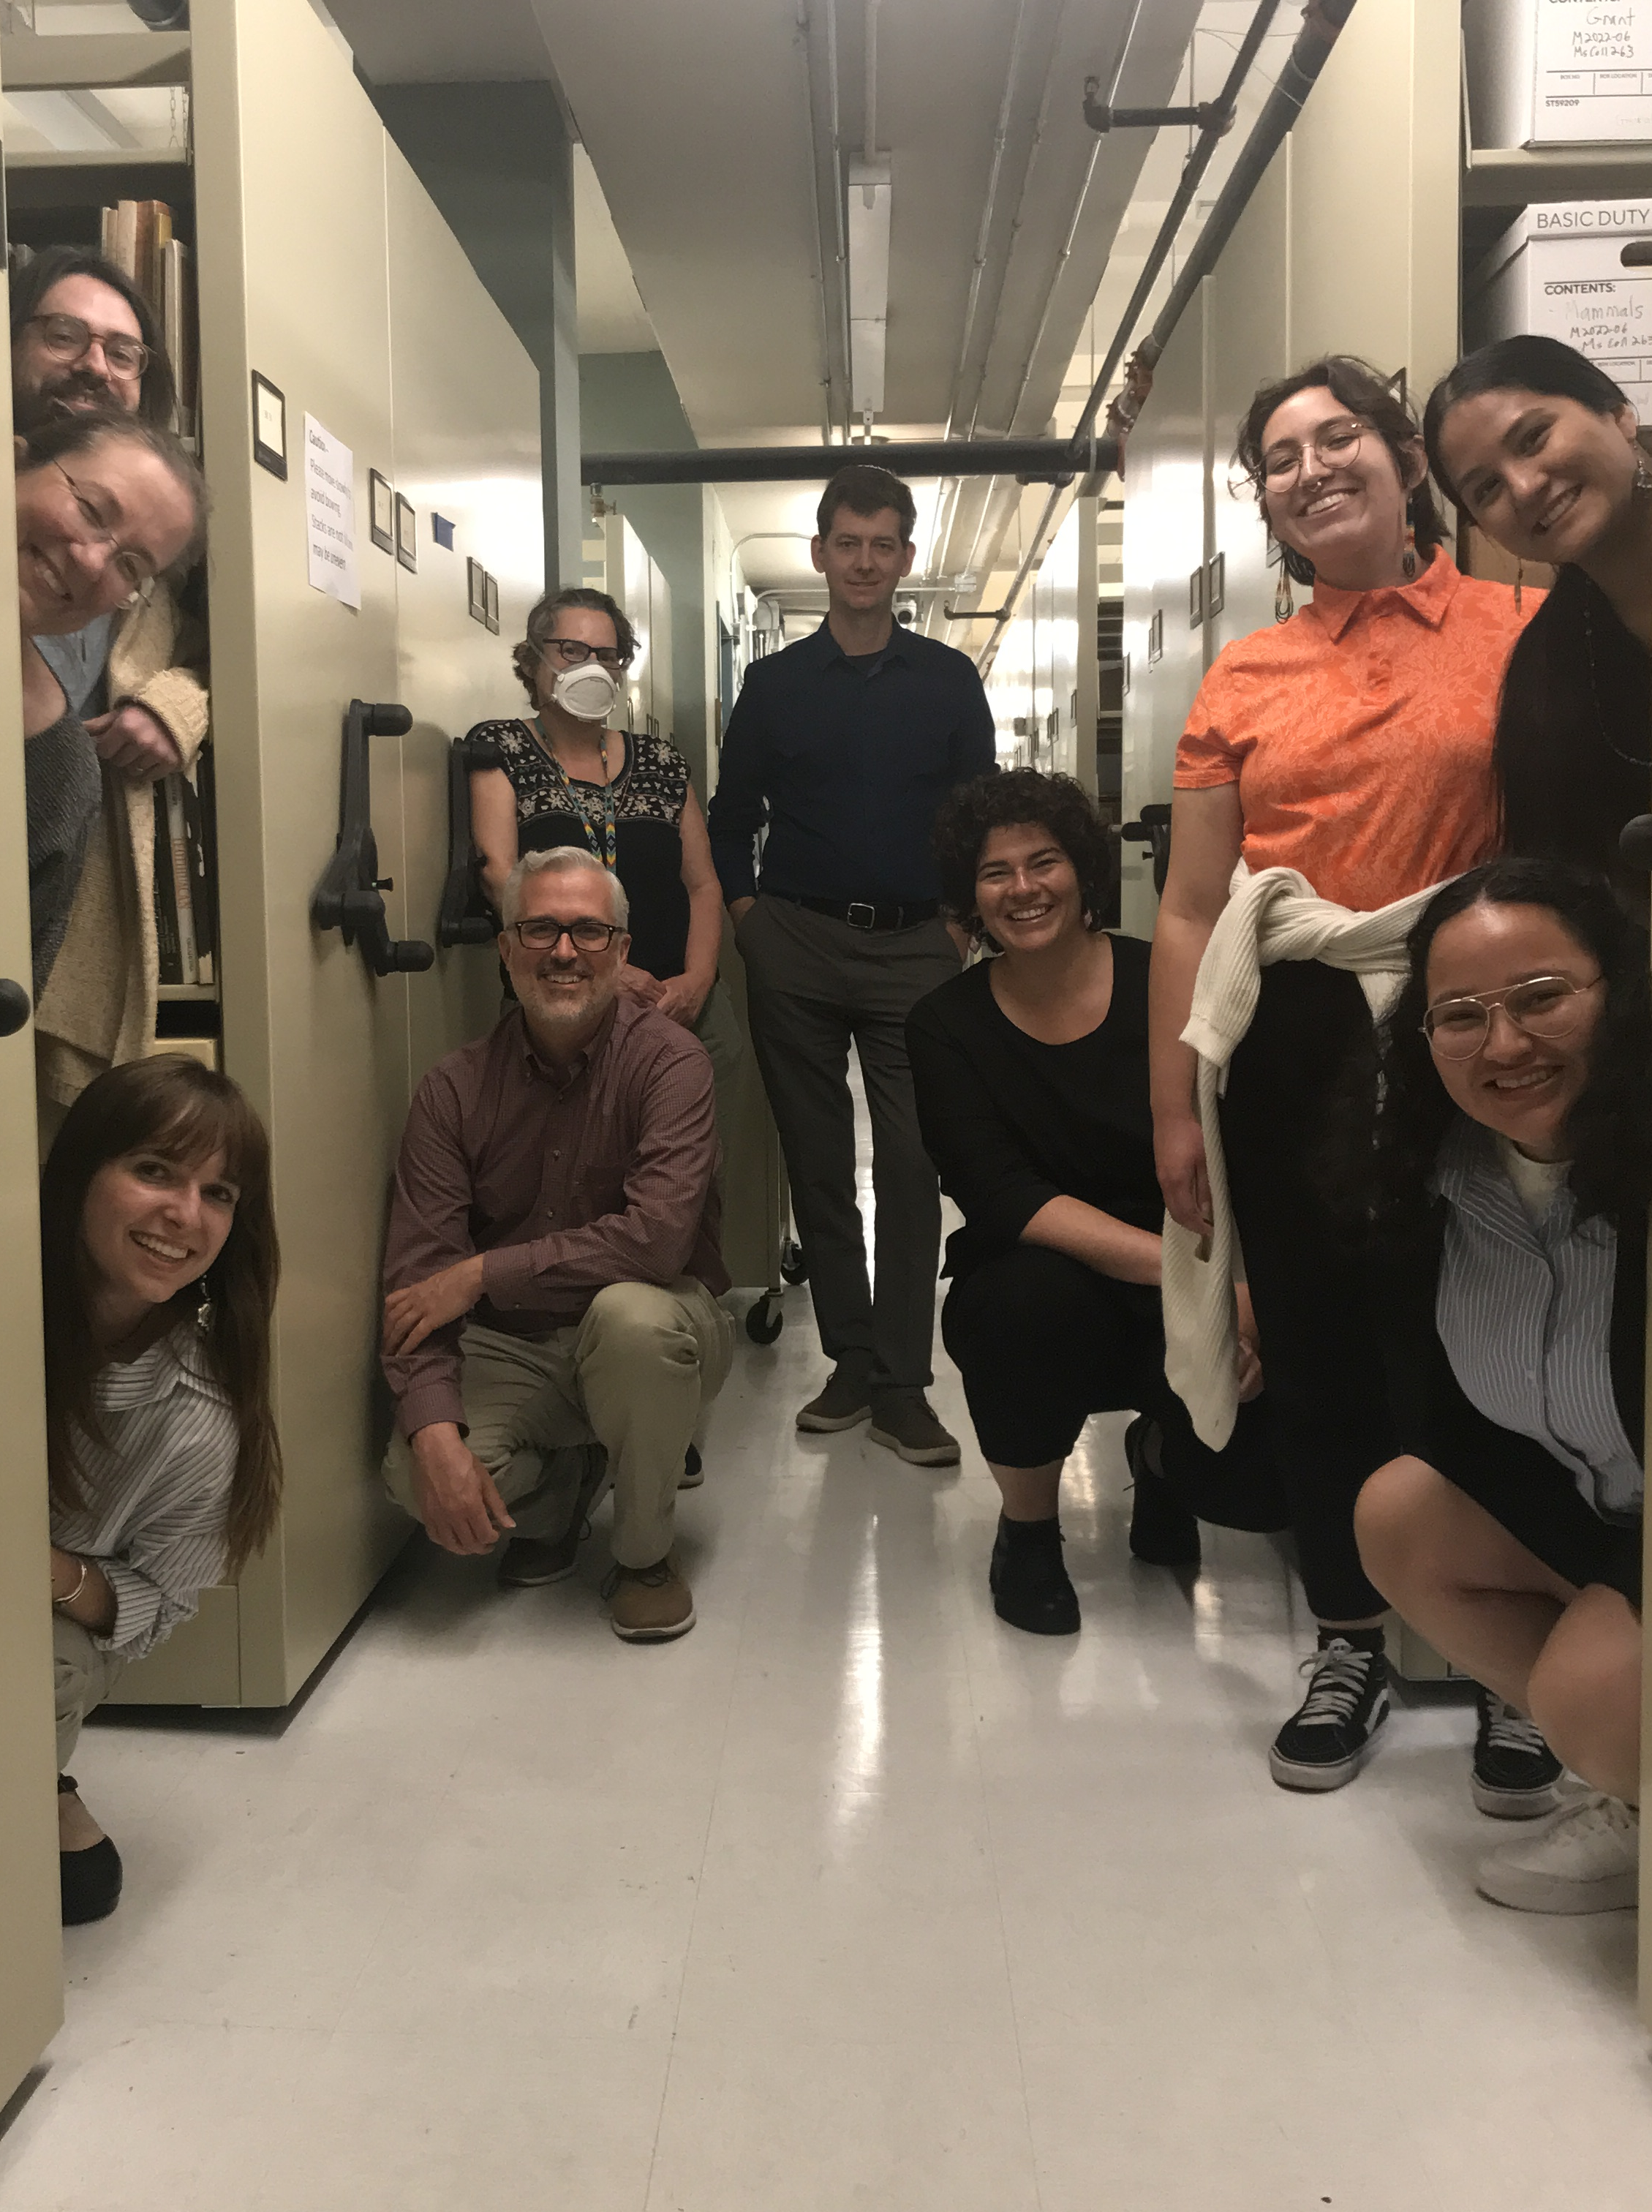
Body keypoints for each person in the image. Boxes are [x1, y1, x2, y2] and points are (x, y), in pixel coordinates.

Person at [1150, 356, 1546, 1794]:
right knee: (1316, 1350)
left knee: (1485, 1343)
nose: (1311, 469)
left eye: (1339, 439)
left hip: (1476, 1022)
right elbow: (1195, 910)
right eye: (1281, 456)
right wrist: (1172, 1113)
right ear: (1265, 501)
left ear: (1403, 457)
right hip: (1298, 1034)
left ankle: (1509, 1666)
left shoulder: (1520, 628)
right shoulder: (1246, 672)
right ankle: (1348, 1636)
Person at [909, 772, 1289, 1634]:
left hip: (1197, 1255)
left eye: (1042, 861)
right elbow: (1003, 1196)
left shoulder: (1173, 983)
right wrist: (1198, 1291)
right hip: (1049, 1277)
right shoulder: (944, 1025)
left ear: (1083, 871)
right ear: (969, 897)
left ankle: (1161, 1455)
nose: (1022, 888)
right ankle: (1031, 1533)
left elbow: (1254, 1156)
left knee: (1264, 1491)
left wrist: (1249, 1300)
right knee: (1019, 1307)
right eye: (994, 872)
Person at [1351, 859, 1652, 1913]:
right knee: (1399, 1515)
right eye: (1461, 1016)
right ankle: (1640, 1784)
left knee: (1589, 1693)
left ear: (1619, 990)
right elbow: (1448, 1431)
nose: (1506, 1045)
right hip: (1597, 1509)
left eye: (1541, 999)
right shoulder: (1437, 1180)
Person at [709, 463, 994, 1467]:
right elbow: (730, 816)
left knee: (914, 1162)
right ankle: (851, 1357)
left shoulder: (949, 681)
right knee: (819, 1161)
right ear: (822, 554)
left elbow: (979, 821)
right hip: (796, 940)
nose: (865, 562)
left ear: (905, 560)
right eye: (849, 543)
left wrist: (960, 926)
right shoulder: (775, 685)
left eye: (884, 545)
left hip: (919, 943)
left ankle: (906, 1382)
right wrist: (751, 921)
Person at [379, 846, 733, 1643]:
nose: (565, 953)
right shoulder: (453, 1089)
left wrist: (482, 1273)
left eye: (588, 932)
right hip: (517, 1345)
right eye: (538, 931)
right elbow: (416, 1280)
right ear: (506, 951)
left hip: (659, 1325)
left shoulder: (672, 1065)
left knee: (632, 1321)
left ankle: (644, 1555)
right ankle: (568, 1486)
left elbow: (655, 1243)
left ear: (622, 952)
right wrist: (433, 1432)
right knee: (413, 1476)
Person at [41, 1054, 283, 1927]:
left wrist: (48, 1573)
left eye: (219, 1194)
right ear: (80, 1175)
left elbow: (156, 1600)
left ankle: (32, 1778)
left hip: (32, 1628)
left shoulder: (200, 1415)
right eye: (154, 1171)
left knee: (77, 1892)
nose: (185, 1216)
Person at [11, 246, 216, 1121]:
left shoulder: (158, 557)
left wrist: (178, 706)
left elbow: (239, 657)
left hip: (51, 957)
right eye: (66, 334)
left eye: (124, 353)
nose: (94, 365)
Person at [467, 586, 739, 1079]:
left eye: (607, 655)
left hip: (676, 1011)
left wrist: (698, 982)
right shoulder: (501, 746)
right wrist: (607, 974)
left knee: (686, 1154)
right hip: (559, 1010)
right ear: (533, 660)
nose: (590, 666)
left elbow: (702, 884)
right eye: (571, 650)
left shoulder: (662, 762)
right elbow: (499, 875)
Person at [1424, 336, 1652, 908]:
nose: (1525, 489)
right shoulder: (1546, 679)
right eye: (1488, 488)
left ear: (1619, 412)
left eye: (1533, 438)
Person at [18, 411, 207, 1072]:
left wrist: (179, 707)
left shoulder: (60, 771)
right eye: (92, 510)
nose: (91, 558)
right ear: (11, 459)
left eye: (130, 564)